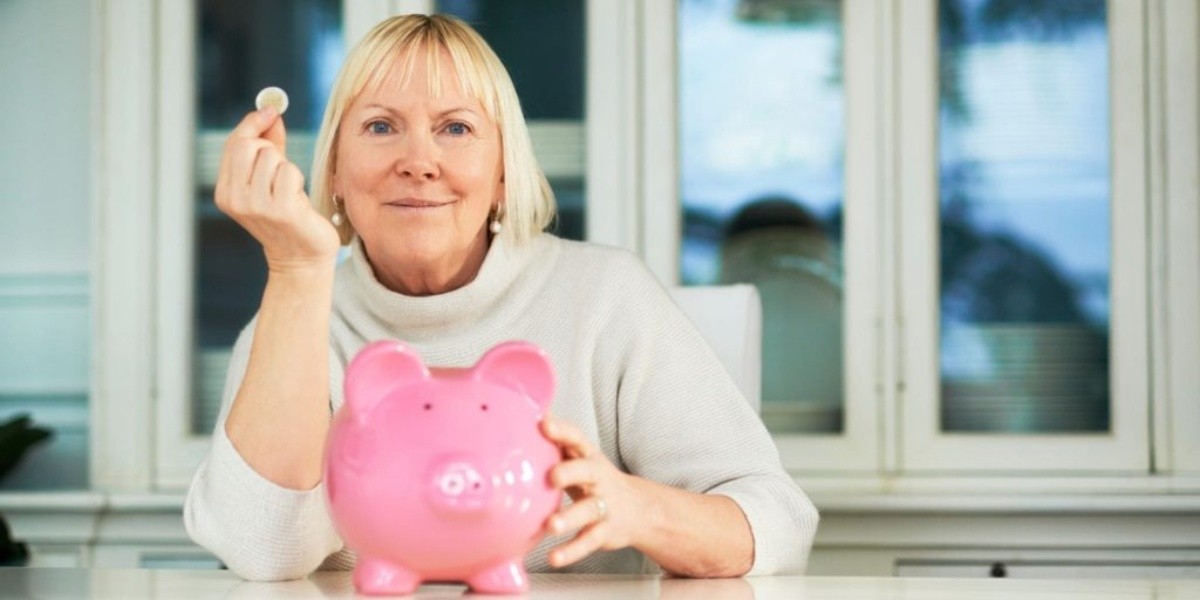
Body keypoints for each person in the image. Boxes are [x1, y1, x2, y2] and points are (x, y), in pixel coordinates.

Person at [183, 14, 818, 584]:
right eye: (381, 126)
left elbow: (779, 520)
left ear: (503, 173)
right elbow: (262, 549)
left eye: (456, 128)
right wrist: (297, 268)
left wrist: (637, 507)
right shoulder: (295, 316)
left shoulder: (607, 298)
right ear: (334, 174)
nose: (419, 161)